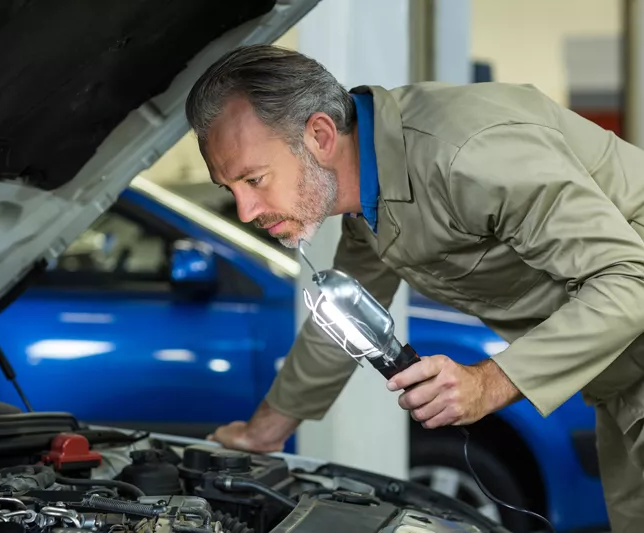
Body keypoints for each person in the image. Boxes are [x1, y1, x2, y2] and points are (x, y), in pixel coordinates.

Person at [183, 44, 644, 532]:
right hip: (618, 384)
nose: (246, 211)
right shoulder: (371, 192)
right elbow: (347, 311)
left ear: (319, 134)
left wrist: (490, 381)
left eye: (254, 179)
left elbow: (631, 277)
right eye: (229, 188)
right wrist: (264, 431)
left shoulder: (467, 153)